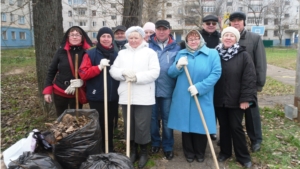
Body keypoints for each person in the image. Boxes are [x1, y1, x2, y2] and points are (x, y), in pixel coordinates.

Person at [167, 30, 221, 163]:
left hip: (202, 95)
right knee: (186, 124)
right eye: (190, 39)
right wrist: (178, 65)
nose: (193, 41)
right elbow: (171, 73)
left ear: (201, 39)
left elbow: (216, 73)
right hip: (184, 95)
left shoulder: (212, 54)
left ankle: (200, 152)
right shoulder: (181, 53)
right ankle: (189, 152)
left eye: (196, 38)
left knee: (201, 124)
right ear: (186, 41)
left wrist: (200, 87)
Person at [110, 26, 160, 168]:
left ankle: (143, 151)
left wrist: (137, 77)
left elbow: (155, 72)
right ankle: (132, 150)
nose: (133, 40)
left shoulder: (150, 53)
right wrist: (124, 73)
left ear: (142, 38)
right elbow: (113, 70)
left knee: (142, 125)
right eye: (130, 38)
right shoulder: (122, 54)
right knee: (129, 124)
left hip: (144, 95)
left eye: (136, 38)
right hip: (126, 94)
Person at [214, 26, 257, 168]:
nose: (228, 38)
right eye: (226, 35)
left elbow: (249, 78)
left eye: (231, 36)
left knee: (236, 127)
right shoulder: (215, 54)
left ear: (236, 39)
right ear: (222, 38)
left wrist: (246, 99)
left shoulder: (244, 55)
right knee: (223, 127)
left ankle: (243, 156)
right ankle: (225, 152)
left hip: (237, 99)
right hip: (219, 98)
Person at [229, 11, 267, 152]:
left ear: (244, 22)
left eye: (239, 20)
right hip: (232, 86)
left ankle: (256, 139)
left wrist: (259, 83)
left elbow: (260, 62)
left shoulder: (254, 38)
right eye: (233, 20)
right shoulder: (227, 38)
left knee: (251, 114)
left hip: (249, 85)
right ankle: (231, 138)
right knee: (233, 114)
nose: (236, 22)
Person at [79, 27, 119, 153]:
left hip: (113, 95)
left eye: (108, 36)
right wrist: (98, 67)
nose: (106, 39)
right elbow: (83, 73)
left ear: (112, 38)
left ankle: (109, 148)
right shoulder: (90, 53)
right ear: (99, 38)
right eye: (103, 36)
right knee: (98, 123)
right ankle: (98, 149)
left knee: (110, 122)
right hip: (97, 95)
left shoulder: (117, 54)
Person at [148, 20, 181, 160]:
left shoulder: (176, 47)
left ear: (169, 30)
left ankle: (168, 146)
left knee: (167, 119)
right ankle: (155, 142)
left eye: (164, 29)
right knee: (152, 118)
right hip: (150, 88)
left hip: (168, 89)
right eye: (159, 29)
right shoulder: (148, 46)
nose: (161, 32)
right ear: (155, 30)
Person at [43, 26, 92, 117]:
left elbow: (91, 72)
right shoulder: (61, 52)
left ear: (82, 37)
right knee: (61, 118)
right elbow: (51, 71)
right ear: (68, 37)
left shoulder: (88, 52)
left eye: (77, 35)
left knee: (76, 118)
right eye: (72, 35)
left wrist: (83, 82)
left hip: (77, 92)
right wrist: (47, 91)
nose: (74, 37)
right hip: (60, 91)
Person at [200, 14, 220, 141]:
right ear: (203, 25)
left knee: (215, 104)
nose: (211, 25)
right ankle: (203, 128)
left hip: (217, 75)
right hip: (202, 75)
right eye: (208, 23)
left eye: (213, 23)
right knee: (204, 104)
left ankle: (212, 130)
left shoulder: (221, 38)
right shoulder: (198, 37)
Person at [112, 25, 127, 129]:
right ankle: (114, 124)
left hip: (126, 78)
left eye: (122, 33)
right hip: (113, 78)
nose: (120, 35)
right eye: (118, 33)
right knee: (113, 103)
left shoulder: (130, 45)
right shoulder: (111, 45)